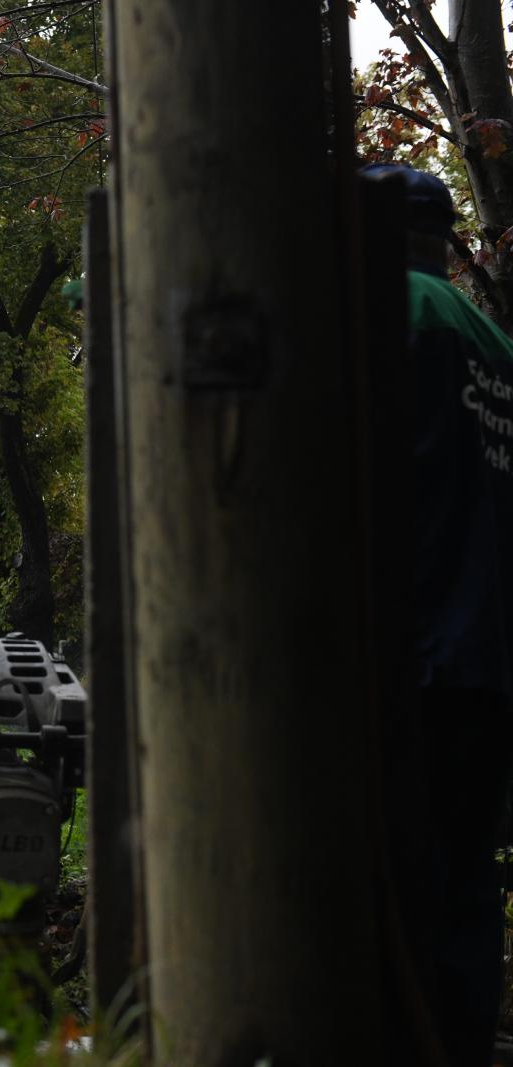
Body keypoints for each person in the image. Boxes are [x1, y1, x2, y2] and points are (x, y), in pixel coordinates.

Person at [362, 162, 513, 1066]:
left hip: (411, 657)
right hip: (491, 666)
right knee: (467, 886)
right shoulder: (495, 343)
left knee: (396, 884)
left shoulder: (390, 316)